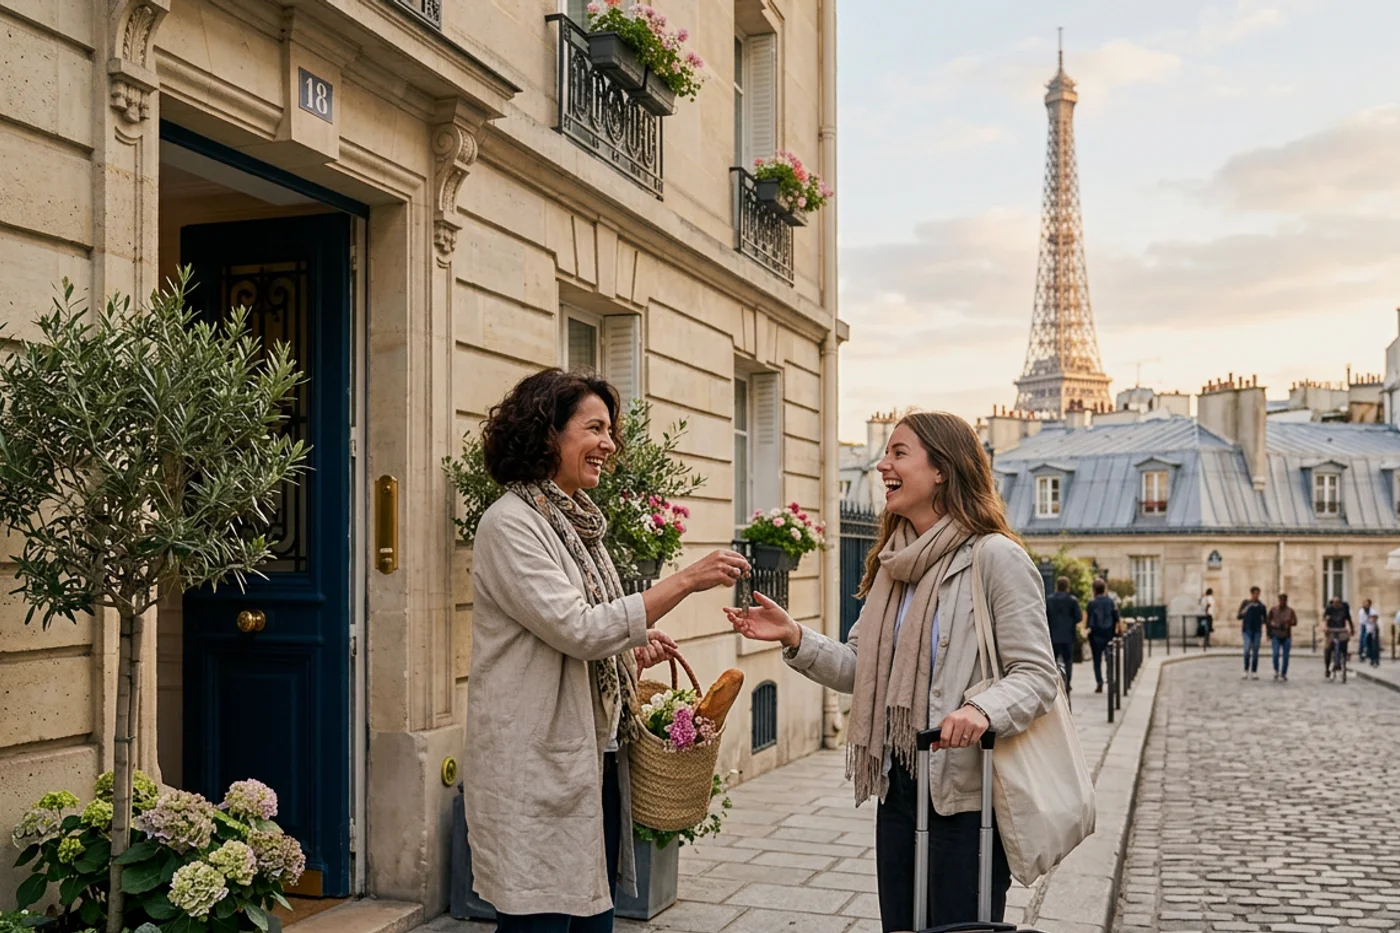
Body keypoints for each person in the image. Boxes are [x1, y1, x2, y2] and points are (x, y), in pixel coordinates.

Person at [725, 412, 1058, 931]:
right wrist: (796, 637)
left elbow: (1037, 674)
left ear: (942, 469)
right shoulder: (894, 563)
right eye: (885, 453)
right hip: (899, 783)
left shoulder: (995, 558)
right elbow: (862, 670)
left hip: (965, 795)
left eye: (899, 453)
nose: (882, 465)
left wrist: (981, 709)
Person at [463, 369, 751, 932]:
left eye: (610, 430)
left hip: (592, 761)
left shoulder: (575, 524)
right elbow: (577, 628)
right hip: (535, 763)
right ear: (548, 434)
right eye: (594, 428)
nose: (609, 444)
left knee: (593, 918)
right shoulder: (511, 525)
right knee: (539, 920)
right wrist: (685, 580)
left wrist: (629, 650)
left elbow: (581, 632)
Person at [1045, 576, 1082, 692]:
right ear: (1067, 587)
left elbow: (1045, 617)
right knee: (1068, 661)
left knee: (1052, 661)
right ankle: (1067, 682)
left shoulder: (1049, 600)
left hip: (1053, 636)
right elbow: (1078, 617)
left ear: (1057, 586)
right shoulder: (1072, 600)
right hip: (1068, 636)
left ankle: (1053, 682)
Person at [1086, 579, 1119, 693]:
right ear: (1104, 589)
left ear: (1094, 590)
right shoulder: (1110, 602)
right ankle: (1110, 679)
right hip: (1108, 633)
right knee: (1109, 658)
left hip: (1095, 634)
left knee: (1097, 661)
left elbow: (1089, 620)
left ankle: (1099, 682)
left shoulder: (1091, 603)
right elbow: (1116, 617)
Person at [1237, 587, 1267, 680]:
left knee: (1255, 652)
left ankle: (1254, 671)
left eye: (1258, 594)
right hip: (1247, 630)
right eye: (1255, 593)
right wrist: (1247, 608)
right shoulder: (1246, 603)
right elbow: (1239, 616)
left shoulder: (1261, 606)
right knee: (1246, 650)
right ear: (1251, 594)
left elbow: (1265, 619)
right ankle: (1245, 670)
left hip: (1257, 630)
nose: (1256, 595)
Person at [1266, 593, 1297, 682]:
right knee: (1275, 653)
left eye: (1284, 600)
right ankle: (1276, 670)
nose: (1282, 602)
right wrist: (1269, 634)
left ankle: (1283, 673)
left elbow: (1295, 621)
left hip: (1286, 635)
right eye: (1281, 600)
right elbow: (1268, 622)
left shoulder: (1290, 611)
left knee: (1286, 656)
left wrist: (1289, 623)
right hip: (1276, 634)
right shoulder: (1273, 610)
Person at [1324, 595, 1354, 679]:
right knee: (1328, 649)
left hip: (1341, 630)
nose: (1335, 604)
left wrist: (1351, 629)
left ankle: (1342, 661)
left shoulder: (1344, 609)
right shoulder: (1329, 608)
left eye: (1337, 603)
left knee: (1344, 644)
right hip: (1331, 630)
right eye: (1334, 603)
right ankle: (1327, 668)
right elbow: (1325, 620)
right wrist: (1325, 628)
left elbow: (1349, 619)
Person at [1358, 598, 1380, 667]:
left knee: (1374, 645)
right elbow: (1363, 622)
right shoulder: (1361, 612)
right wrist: (1370, 618)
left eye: (1367, 604)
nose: (1365, 605)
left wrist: (1372, 618)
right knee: (1365, 643)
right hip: (1366, 628)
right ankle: (1365, 655)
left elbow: (1374, 619)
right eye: (1364, 604)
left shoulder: (1372, 611)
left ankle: (1375, 660)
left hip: (1373, 629)